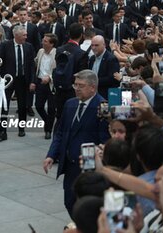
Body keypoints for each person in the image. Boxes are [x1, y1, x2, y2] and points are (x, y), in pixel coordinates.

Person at [43, 69, 110, 217]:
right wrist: (51, 155)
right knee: (69, 202)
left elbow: (105, 140)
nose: (77, 89)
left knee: (87, 207)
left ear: (93, 87)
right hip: (70, 165)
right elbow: (60, 132)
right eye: (75, 85)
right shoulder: (70, 104)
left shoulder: (103, 107)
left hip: (89, 167)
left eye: (81, 85)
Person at [0, 25, 36, 141]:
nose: (26, 37)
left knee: (22, 106)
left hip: (23, 80)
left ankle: (21, 129)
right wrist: (0, 80)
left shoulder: (28, 47)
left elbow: (31, 66)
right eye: (24, 35)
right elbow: (0, 62)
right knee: (4, 106)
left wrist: (32, 81)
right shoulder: (5, 45)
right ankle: (2, 131)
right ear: (16, 35)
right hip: (8, 80)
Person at [34, 33, 57, 139]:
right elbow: (36, 63)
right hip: (40, 82)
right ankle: (48, 121)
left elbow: (58, 70)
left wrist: (50, 77)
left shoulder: (56, 53)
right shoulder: (40, 51)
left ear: (51, 44)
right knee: (38, 105)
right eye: (43, 40)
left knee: (52, 108)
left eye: (45, 41)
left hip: (51, 84)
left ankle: (48, 130)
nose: (42, 42)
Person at [88, 35, 120, 99]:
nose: (93, 48)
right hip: (92, 94)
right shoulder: (92, 58)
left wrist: (94, 82)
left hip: (105, 95)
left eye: (96, 45)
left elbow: (112, 79)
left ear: (104, 45)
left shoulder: (111, 59)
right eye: (92, 45)